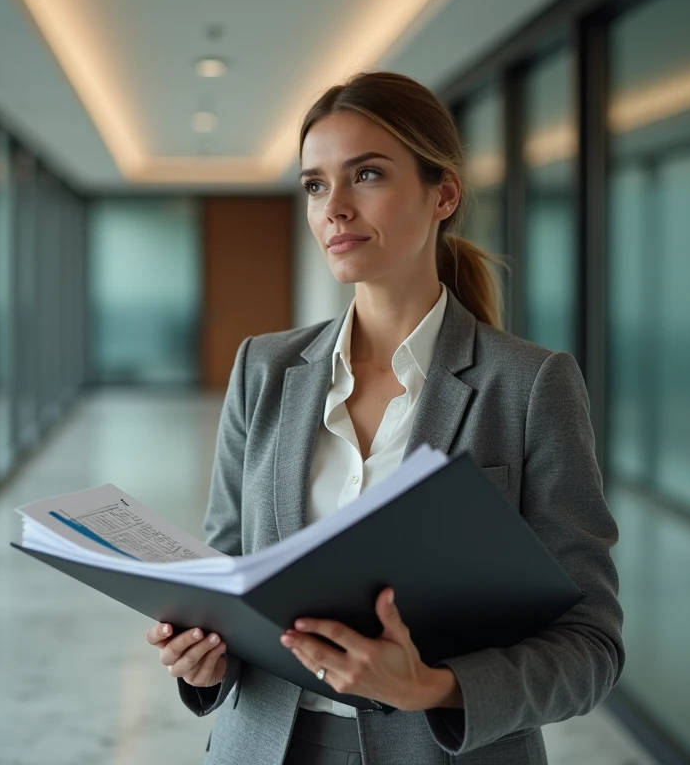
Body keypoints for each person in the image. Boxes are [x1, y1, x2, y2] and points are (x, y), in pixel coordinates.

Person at [143, 71, 624, 765]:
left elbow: (591, 645)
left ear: (444, 194)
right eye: (314, 184)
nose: (334, 207)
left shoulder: (529, 385)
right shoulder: (264, 370)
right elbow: (229, 576)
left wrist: (432, 685)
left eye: (365, 174)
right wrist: (203, 660)